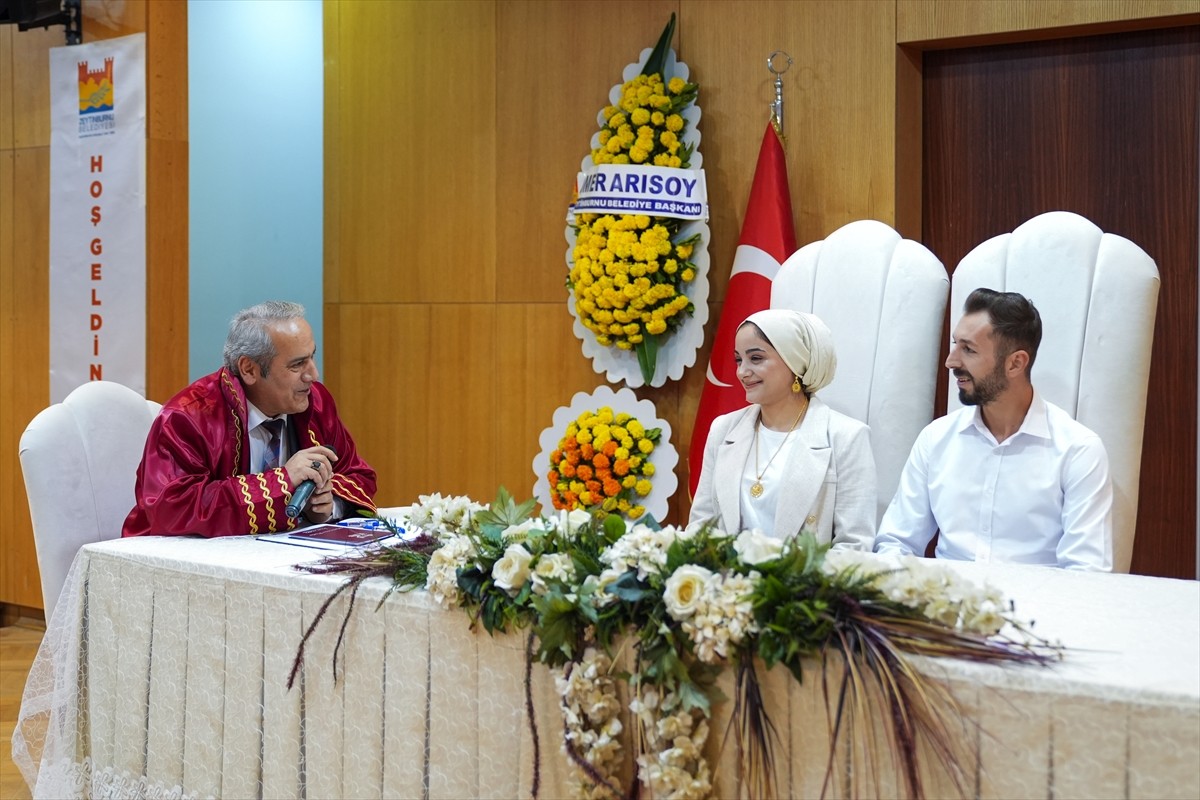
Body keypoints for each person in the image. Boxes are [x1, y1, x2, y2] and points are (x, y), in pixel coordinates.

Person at [873, 288, 1113, 571]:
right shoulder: (936, 439)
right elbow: (896, 543)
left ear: (1015, 363)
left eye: (969, 350)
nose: (951, 361)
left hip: (1037, 599)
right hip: (947, 596)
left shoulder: (1078, 450)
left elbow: (1086, 571)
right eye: (955, 345)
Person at [123, 301, 377, 537]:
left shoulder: (315, 402)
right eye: (297, 365)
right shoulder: (188, 417)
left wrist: (329, 505)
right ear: (249, 369)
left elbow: (358, 475)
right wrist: (282, 481)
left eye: (312, 357)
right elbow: (172, 508)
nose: (313, 374)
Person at [689, 308, 876, 548]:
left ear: (794, 362)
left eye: (756, 358)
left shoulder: (847, 437)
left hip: (808, 573)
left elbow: (854, 545)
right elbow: (701, 527)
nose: (742, 372)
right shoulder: (723, 429)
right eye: (738, 359)